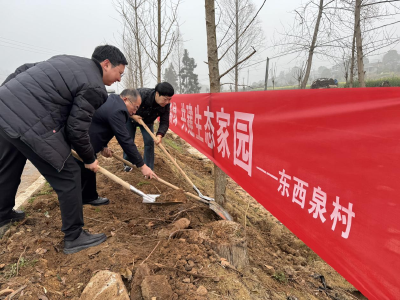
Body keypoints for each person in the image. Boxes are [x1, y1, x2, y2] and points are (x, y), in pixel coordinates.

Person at [0, 45, 127, 254]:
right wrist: (89, 159)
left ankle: (3, 214)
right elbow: (76, 130)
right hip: (30, 122)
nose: (119, 79)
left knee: (9, 165)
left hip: (5, 109)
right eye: (119, 73)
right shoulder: (95, 87)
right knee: (69, 175)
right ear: (106, 64)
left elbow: (24, 69)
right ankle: (74, 236)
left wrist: (7, 98)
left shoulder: (66, 60)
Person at [77, 89, 157, 206]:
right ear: (125, 100)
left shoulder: (113, 102)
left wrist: (102, 146)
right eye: (135, 107)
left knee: (87, 171)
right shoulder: (118, 110)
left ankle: (89, 197)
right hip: (80, 143)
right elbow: (125, 140)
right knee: (79, 171)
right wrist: (142, 165)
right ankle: (77, 202)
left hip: (87, 142)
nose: (135, 112)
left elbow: (100, 124)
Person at [123, 82, 174, 171]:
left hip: (147, 122)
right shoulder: (141, 94)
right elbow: (124, 106)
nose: (167, 102)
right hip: (131, 118)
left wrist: (159, 135)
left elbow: (164, 121)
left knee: (149, 142)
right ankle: (128, 163)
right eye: (165, 99)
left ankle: (148, 168)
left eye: (169, 99)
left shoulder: (166, 104)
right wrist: (133, 116)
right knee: (128, 140)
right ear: (157, 94)